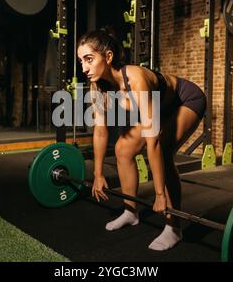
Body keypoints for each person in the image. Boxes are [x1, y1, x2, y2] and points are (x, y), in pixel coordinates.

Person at [77, 28, 207, 251]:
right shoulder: (98, 85)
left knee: (162, 151)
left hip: (185, 101)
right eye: (81, 61)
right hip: (161, 108)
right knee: (122, 149)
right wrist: (97, 174)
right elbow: (100, 131)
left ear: (108, 57)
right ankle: (130, 211)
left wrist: (159, 194)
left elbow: (152, 140)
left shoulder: (135, 78)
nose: (84, 68)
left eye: (89, 59)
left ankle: (173, 227)